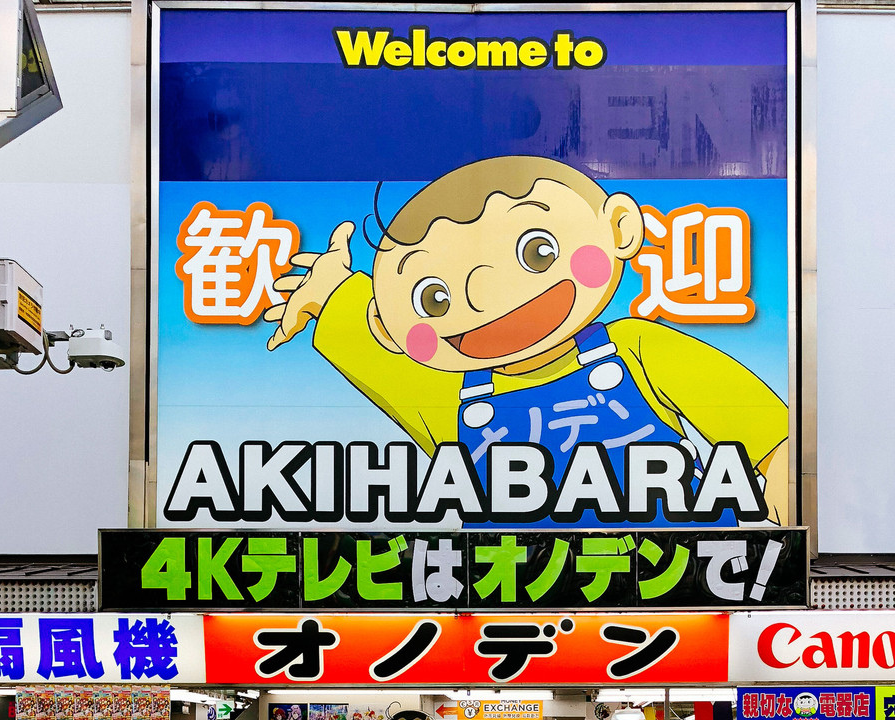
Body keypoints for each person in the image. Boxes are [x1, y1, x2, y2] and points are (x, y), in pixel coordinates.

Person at [265, 155, 789, 527]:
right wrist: (329, 291)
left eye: (537, 251)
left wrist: (788, 506)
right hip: (515, 585)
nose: (487, 292)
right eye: (435, 299)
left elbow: (769, 438)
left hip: (685, 578)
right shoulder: (447, 399)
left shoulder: (637, 347)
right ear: (389, 328)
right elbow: (360, 331)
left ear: (620, 229)